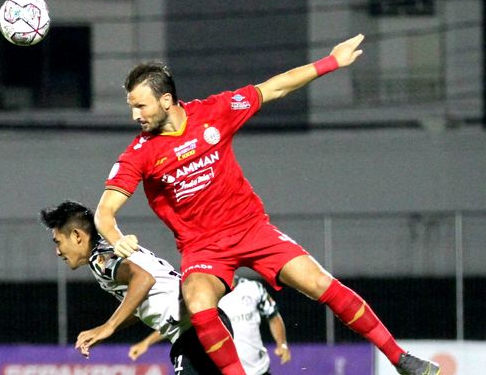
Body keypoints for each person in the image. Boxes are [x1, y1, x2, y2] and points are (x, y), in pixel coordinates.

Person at [94, 34, 440, 375]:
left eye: (141, 105)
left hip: (251, 229)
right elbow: (105, 212)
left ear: (166, 100)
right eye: (132, 107)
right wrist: (116, 237)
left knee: (320, 283)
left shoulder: (215, 112)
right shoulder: (139, 154)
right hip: (204, 249)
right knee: (199, 306)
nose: (135, 115)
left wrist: (331, 62)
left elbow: (274, 87)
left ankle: (400, 359)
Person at [40, 200, 233, 374]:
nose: (58, 252)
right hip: (202, 322)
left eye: (58, 242)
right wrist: (109, 329)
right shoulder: (109, 249)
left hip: (195, 331)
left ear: (76, 236)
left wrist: (108, 326)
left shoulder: (100, 259)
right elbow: (141, 296)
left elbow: (143, 279)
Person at [130, 275, 290, 375]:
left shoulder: (253, 288)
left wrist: (281, 343)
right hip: (221, 369)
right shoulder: (203, 296)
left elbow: (273, 316)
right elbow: (181, 323)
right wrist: (146, 342)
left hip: (259, 370)